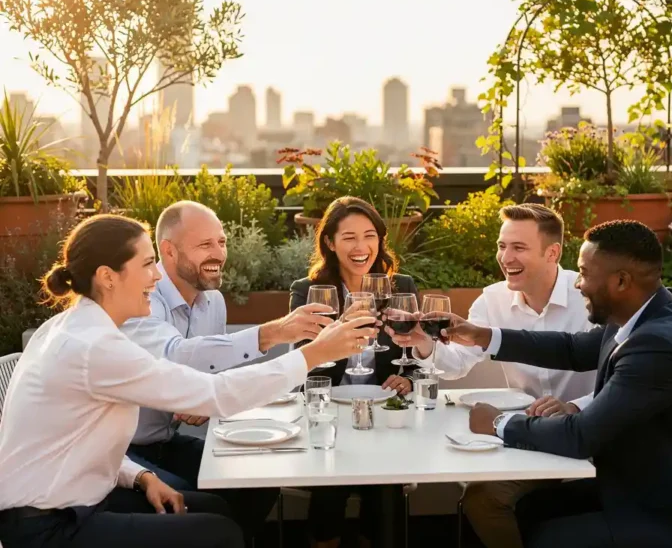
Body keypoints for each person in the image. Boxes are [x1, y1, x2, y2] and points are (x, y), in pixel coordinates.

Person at [0, 214, 376, 548]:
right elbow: (212, 394)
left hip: (79, 499)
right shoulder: (94, 346)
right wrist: (314, 354)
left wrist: (142, 477)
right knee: (219, 534)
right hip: (48, 525)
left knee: (214, 508)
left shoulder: (73, 328)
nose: (157, 275)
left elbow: (72, 442)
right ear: (107, 277)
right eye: (148, 264)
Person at [442, 220, 672, 548]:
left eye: (584, 273)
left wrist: (499, 423)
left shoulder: (660, 345)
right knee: (530, 508)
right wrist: (483, 336)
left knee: (549, 538)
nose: (579, 284)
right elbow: (571, 348)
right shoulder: (645, 312)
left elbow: (581, 435)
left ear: (621, 281)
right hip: (652, 483)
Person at [120, 201, 333, 544]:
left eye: (221, 242)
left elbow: (205, 377)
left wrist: (196, 396)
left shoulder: (212, 300)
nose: (218, 253)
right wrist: (272, 333)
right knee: (206, 506)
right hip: (125, 451)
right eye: (204, 245)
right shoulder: (143, 300)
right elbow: (176, 356)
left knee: (260, 479)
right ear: (168, 251)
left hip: (166, 440)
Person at [386, 203, 595, 548]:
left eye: (519, 247)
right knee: (481, 499)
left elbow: (618, 376)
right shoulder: (492, 299)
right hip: (526, 439)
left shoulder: (588, 298)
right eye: (502, 246)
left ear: (552, 252)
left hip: (588, 440)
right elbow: (456, 364)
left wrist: (575, 406)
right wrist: (422, 342)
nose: (505, 257)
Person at [289, 196, 414, 548]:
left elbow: (416, 353)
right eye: (349, 238)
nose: (362, 247)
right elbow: (302, 361)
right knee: (331, 486)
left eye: (369, 235)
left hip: (386, 413)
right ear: (329, 242)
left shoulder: (399, 287)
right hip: (330, 410)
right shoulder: (309, 292)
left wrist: (408, 379)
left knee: (385, 493)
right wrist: (339, 332)